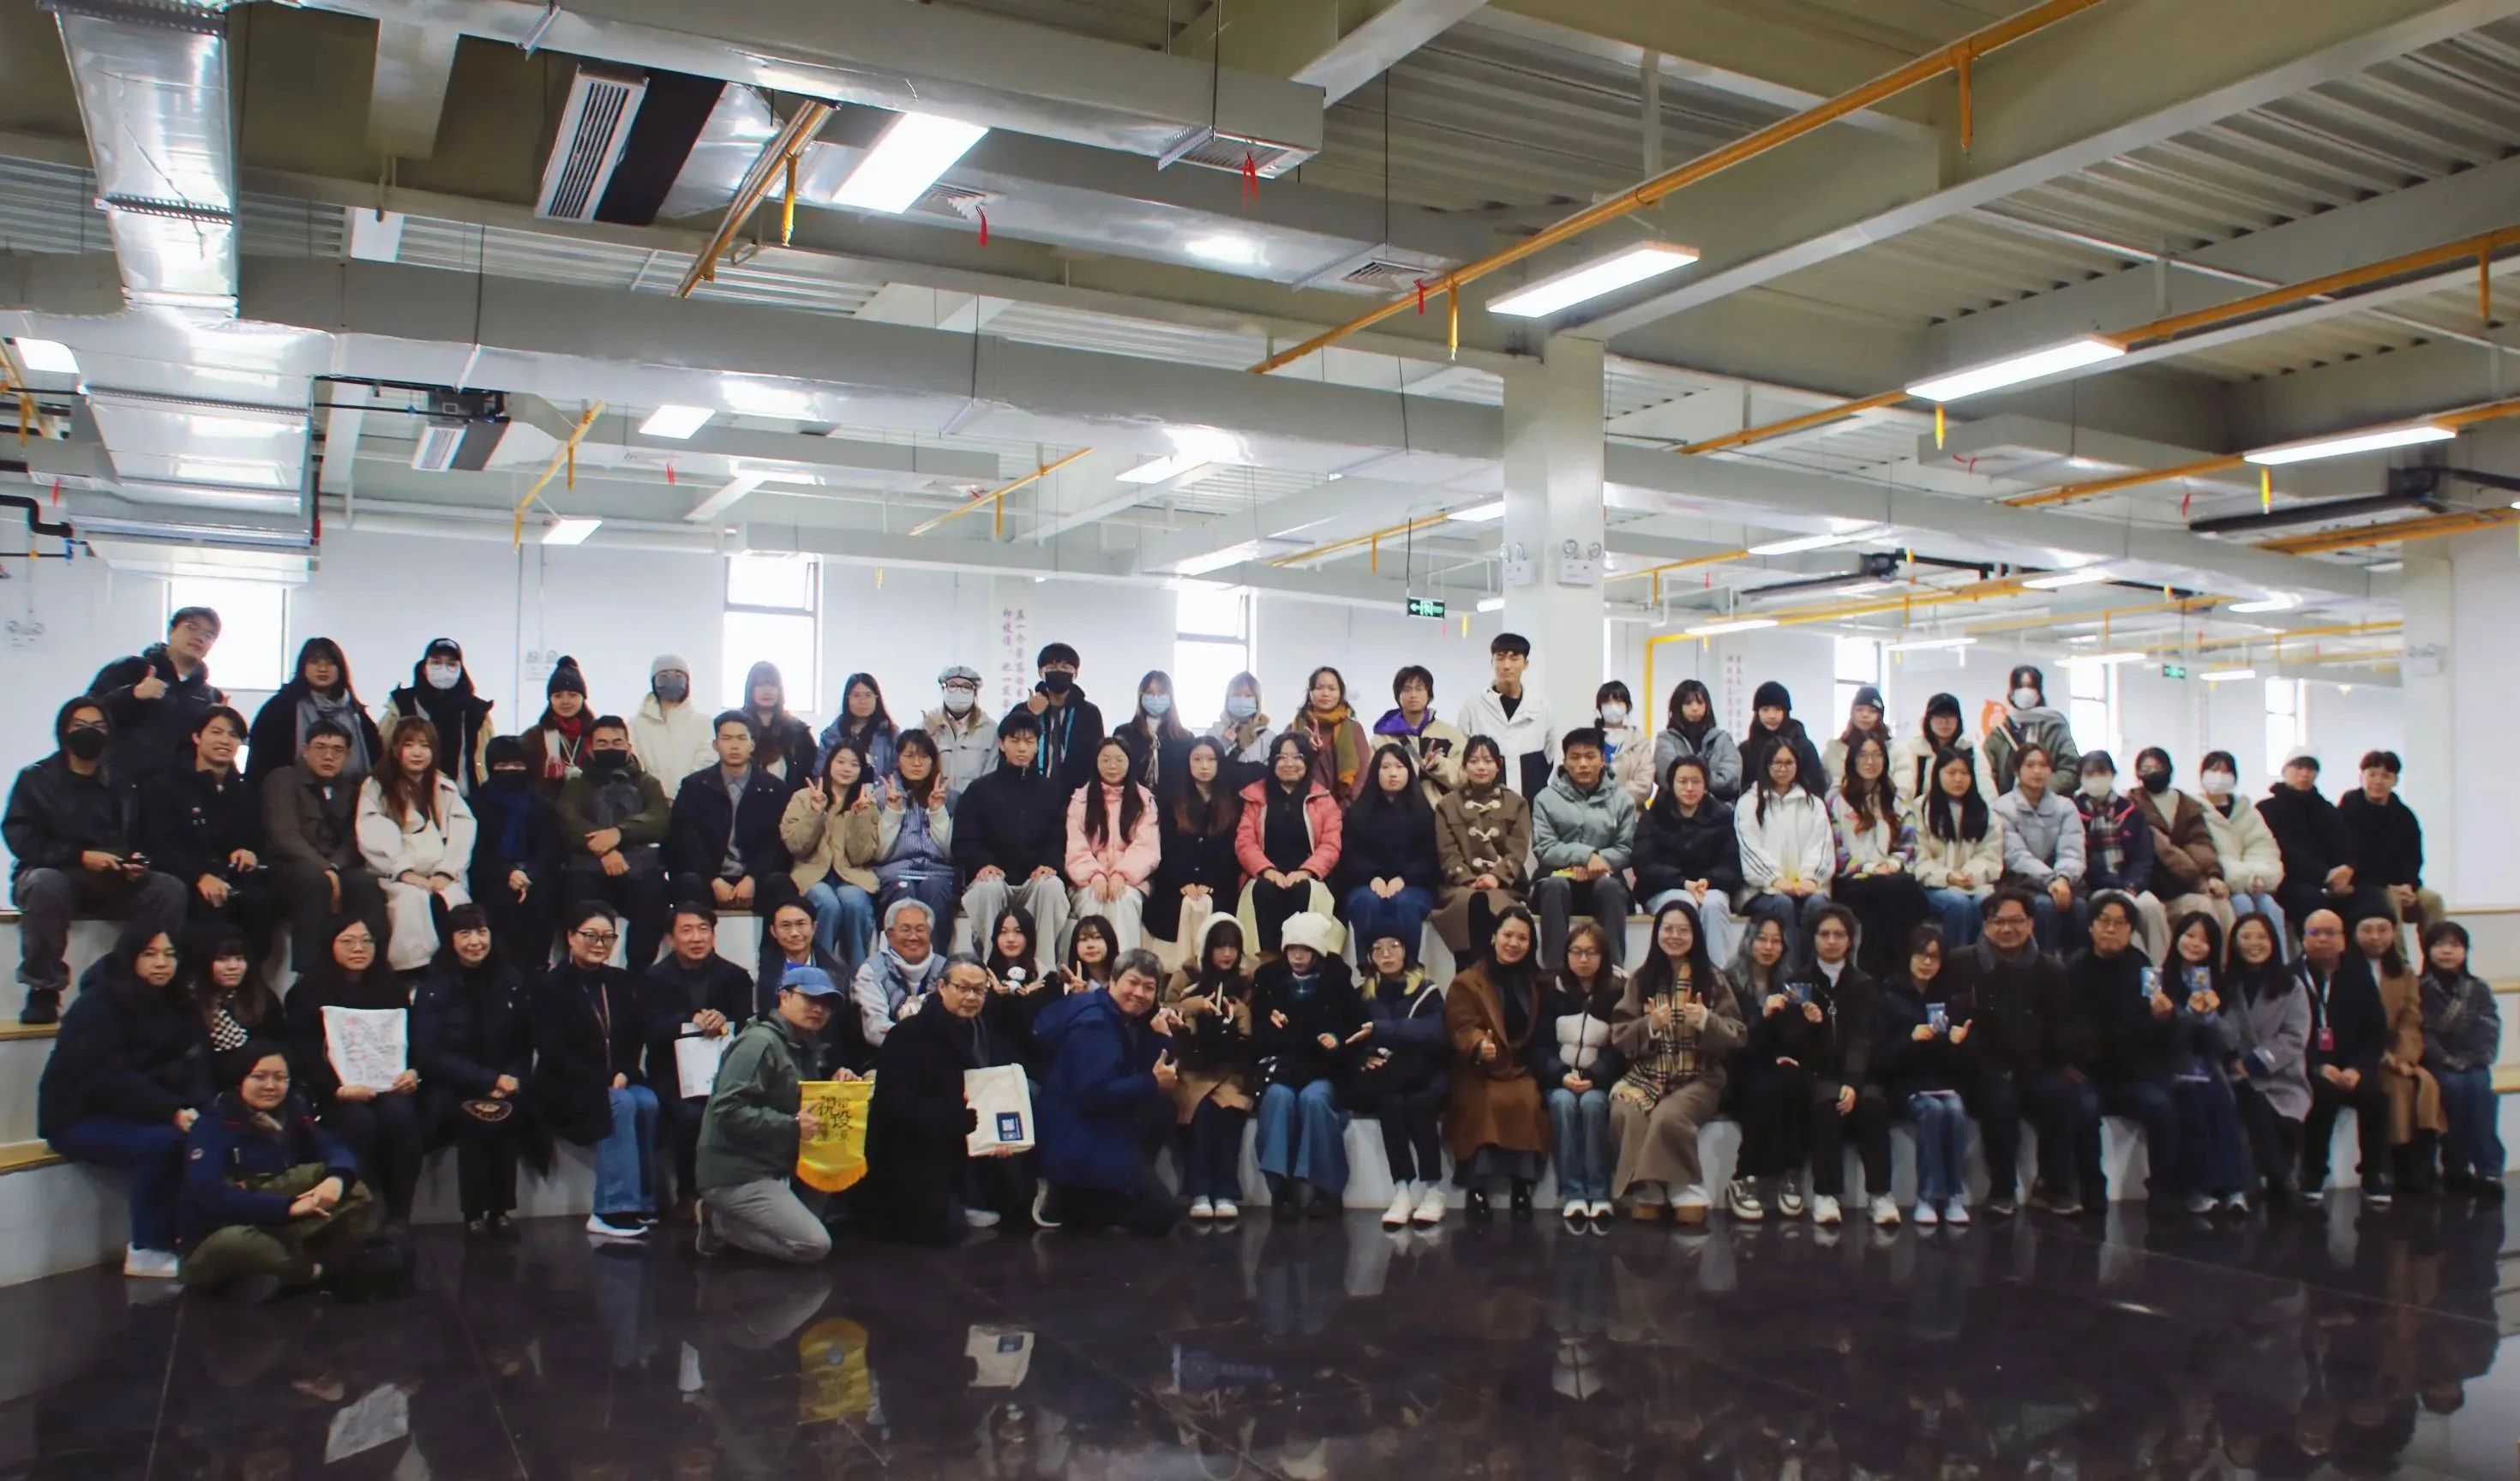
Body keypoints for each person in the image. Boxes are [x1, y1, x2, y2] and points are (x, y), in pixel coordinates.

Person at [35, 922, 210, 1277]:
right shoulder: (97, 1004)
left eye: (170, 954)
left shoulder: (178, 1003)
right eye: (150, 954)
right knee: (164, 1143)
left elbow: (197, 1066)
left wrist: (200, 1109)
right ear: (130, 957)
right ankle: (149, 1248)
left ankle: (199, 1240)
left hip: (142, 1111)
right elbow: (103, 1079)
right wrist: (171, 1110)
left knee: (214, 1132)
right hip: (78, 1117)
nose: (161, 963)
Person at [6, 699, 187, 1023]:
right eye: (80, 726)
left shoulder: (121, 783)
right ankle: (43, 990)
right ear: (64, 732)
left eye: (98, 726)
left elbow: (138, 837)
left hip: (111, 879)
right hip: (55, 873)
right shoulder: (35, 779)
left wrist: (135, 863)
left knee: (168, 889)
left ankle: (143, 983)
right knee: (46, 884)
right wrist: (79, 856)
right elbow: (22, 838)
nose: (89, 732)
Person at [177, 1043, 381, 1298]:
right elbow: (208, 1196)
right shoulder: (212, 1125)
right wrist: (289, 1208)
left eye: (280, 1078)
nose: (271, 1086)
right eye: (259, 1077)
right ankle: (313, 1274)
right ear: (240, 1079)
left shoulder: (292, 1111)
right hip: (219, 1230)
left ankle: (271, 1271)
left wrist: (336, 1180)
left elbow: (332, 1148)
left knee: (352, 1187)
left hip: (270, 1216)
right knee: (239, 1241)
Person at [1738, 905, 1893, 1226]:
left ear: (1850, 941)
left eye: (1839, 935)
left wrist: (1853, 1081)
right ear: (1814, 938)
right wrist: (1812, 1025)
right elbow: (1789, 1040)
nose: (1832, 941)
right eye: (1825, 934)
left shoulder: (1864, 984)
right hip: (1817, 1072)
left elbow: (1863, 1039)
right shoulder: (1798, 983)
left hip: (1856, 1073)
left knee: (1874, 1105)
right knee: (1826, 1103)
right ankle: (1825, 1193)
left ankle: (1880, 1195)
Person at [865, 956, 1027, 1243]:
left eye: (979, 991)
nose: (971, 997)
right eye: (962, 988)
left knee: (1016, 1198)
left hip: (962, 1137)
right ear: (941, 986)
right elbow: (895, 1105)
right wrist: (955, 1121)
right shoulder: (909, 1033)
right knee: (943, 1231)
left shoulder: (981, 1029)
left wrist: (994, 1133)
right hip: (913, 1149)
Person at [693, 963, 843, 1264]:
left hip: (773, 1163)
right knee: (813, 1246)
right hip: (738, 1173)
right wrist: (793, 1125)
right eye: (810, 999)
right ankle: (717, 1223)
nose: (819, 1009)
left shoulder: (800, 1045)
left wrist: (835, 1086)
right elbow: (727, 1110)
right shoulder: (760, 1043)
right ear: (784, 997)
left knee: (828, 1177)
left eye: (826, 1003)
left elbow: (792, 1096)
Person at [285, 914, 424, 1228]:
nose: (358, 948)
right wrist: (336, 1089)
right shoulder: (306, 992)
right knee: (358, 1121)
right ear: (329, 945)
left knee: (400, 1115)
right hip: (332, 1091)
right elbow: (302, 1052)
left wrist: (413, 1072)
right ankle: (354, 1214)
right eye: (347, 941)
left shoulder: (391, 987)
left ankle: (399, 1215)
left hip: (387, 1085)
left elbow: (412, 1039)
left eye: (366, 941)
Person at [1606, 901, 1743, 1225]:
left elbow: (1737, 1035)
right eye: (1668, 929)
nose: (1675, 936)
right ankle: (1649, 1188)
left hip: (1700, 1078)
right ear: (1657, 934)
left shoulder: (1713, 980)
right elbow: (1619, 1036)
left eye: (1683, 930)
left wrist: (1706, 1021)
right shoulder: (1640, 980)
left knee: (1669, 1116)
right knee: (1624, 1111)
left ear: (1695, 935)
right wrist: (1650, 1025)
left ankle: (1686, 1187)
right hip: (1647, 1075)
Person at [1030, 948, 1182, 1235]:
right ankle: (1065, 1201)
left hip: (1099, 1125)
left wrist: (1162, 1036)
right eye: (1132, 982)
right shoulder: (1095, 1024)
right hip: (1078, 1136)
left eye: (1149, 987)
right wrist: (1151, 1082)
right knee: (1161, 1215)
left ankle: (1097, 1191)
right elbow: (1093, 1096)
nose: (1139, 993)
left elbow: (1148, 1066)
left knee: (1163, 1109)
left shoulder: (1117, 1015)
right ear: (1113, 980)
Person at [531, 902, 660, 1238]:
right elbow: (551, 1050)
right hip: (565, 1086)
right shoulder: (549, 987)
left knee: (647, 1101)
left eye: (607, 937)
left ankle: (644, 1202)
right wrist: (604, 1081)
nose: (599, 944)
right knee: (621, 1103)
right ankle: (611, 1210)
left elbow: (634, 1036)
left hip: (614, 1080)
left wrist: (625, 1071)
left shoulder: (620, 982)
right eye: (590, 935)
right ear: (570, 937)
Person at [410, 904, 537, 1234]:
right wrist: (487, 1080)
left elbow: (525, 1041)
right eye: (465, 933)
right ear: (451, 939)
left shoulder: (510, 978)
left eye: (482, 932)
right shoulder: (434, 986)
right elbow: (429, 1054)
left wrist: (511, 1079)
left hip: (504, 1082)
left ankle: (501, 1210)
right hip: (452, 1085)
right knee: (475, 1118)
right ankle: (474, 1213)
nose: (475, 941)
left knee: (507, 1113)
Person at [1946, 888, 2067, 1218]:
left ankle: (2052, 1185)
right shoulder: (1960, 963)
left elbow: (2058, 1028)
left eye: (2016, 921)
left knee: (2062, 1095)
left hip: (2032, 1065)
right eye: (1998, 921)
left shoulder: (2050, 970)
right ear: (1985, 925)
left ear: (2031, 924)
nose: (2007, 928)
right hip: (1979, 1067)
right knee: (2000, 1099)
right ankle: (2002, 1189)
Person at [2067, 892, 2182, 1213]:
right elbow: (2062, 1027)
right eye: (2104, 921)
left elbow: (2159, 1037)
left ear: (2131, 929)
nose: (2111, 929)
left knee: (2161, 1107)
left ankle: (2162, 1190)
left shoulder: (2144, 970)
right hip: (2087, 1074)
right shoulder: (2073, 969)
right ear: (2091, 926)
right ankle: (2092, 1189)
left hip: (2131, 1075)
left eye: (2120, 923)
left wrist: (2163, 1018)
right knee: (2083, 1109)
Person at [143, 705, 279, 962]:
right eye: (216, 732)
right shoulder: (164, 787)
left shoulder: (245, 793)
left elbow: (257, 841)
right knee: (206, 911)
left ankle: (249, 976)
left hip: (233, 878)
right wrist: (199, 876)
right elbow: (160, 847)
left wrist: (249, 853)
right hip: (186, 878)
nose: (225, 741)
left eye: (233, 735)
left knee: (261, 901)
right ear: (197, 737)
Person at [1251, 912, 1364, 1216]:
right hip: (1282, 1067)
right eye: (1292, 948)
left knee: (1315, 1100)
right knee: (1278, 1098)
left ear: (1317, 951)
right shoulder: (1267, 980)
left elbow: (1354, 1027)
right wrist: (1274, 1028)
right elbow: (1258, 1034)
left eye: (1306, 949)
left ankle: (1326, 1188)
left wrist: (1336, 1040)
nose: (1298, 956)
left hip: (1324, 1069)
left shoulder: (1337, 980)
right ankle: (1281, 1189)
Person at [643, 904, 754, 1208]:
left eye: (704, 929)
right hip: (673, 1075)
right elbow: (651, 1033)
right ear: (671, 939)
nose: (696, 938)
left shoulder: (735, 976)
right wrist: (689, 1022)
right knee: (691, 1116)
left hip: (727, 1072)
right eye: (687, 930)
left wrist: (723, 1022)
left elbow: (747, 1028)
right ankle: (690, 1195)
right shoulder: (655, 978)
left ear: (713, 936)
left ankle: (737, 1194)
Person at [1444, 903, 1551, 1219]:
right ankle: (1477, 1187)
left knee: (1528, 1100)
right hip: (1480, 1069)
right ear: (1494, 937)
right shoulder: (1468, 981)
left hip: (1520, 1067)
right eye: (1508, 935)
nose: (1513, 943)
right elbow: (1462, 1025)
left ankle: (1521, 1187)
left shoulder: (1537, 982)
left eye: (1522, 938)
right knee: (1487, 1102)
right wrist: (1479, 1045)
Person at [261, 719, 387, 970]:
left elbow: (353, 838)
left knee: (366, 884)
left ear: (348, 756)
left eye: (338, 750)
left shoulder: (352, 788)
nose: (329, 756)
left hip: (337, 867)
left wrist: (335, 867)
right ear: (305, 750)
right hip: (291, 864)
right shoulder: (282, 779)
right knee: (316, 884)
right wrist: (326, 869)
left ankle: (375, 967)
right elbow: (285, 836)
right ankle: (309, 972)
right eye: (320, 748)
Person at [357, 717, 478, 973]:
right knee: (411, 903)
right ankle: (413, 973)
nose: (417, 752)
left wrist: (447, 871)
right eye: (409, 744)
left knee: (456, 902)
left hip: (442, 874)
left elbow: (463, 827)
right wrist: (404, 871)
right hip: (395, 875)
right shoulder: (377, 785)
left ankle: (460, 969)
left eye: (424, 745)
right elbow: (373, 829)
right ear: (395, 749)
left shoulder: (444, 785)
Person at [954, 711, 1071, 971]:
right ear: (1001, 744)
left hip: (1033, 880)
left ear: (1037, 746)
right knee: (987, 888)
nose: (1022, 748)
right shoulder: (979, 790)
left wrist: (1049, 863)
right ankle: (991, 971)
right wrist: (982, 863)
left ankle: (1044, 973)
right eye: (1015, 740)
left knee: (1052, 887)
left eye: (1029, 741)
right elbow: (963, 840)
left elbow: (1059, 837)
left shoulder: (1051, 790)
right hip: (995, 878)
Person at [1349, 926, 1449, 1229]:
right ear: (1370, 957)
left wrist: (1383, 1032)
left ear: (1406, 951)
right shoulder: (1362, 996)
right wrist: (1365, 1057)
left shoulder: (1426, 991)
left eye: (1394, 945)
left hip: (1425, 1074)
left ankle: (1432, 1189)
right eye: (1378, 948)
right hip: (1386, 1081)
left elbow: (1435, 1034)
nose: (1387, 954)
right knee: (1390, 1102)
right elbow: (1352, 1040)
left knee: (1420, 1102)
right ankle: (1402, 1189)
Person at [2294, 909, 2394, 1206]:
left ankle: (2373, 1174)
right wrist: (2317, 1065)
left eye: (2331, 933)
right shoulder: (2291, 976)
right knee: (2322, 1093)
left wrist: (2357, 1067)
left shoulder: (2358, 975)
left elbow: (2375, 1030)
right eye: (2315, 933)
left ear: (2343, 939)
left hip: (2352, 1063)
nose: (2323, 939)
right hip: (2308, 1063)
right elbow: (2287, 1034)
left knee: (2375, 1095)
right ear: (2303, 938)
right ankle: (2313, 1173)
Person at [1873, 926, 1971, 1227]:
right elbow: (1880, 1059)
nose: (1927, 963)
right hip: (1904, 1085)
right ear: (1908, 956)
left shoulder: (1948, 998)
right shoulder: (1888, 996)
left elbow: (1957, 1063)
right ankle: (1928, 1196)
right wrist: (1910, 1039)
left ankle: (1953, 1195)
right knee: (1932, 1111)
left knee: (1955, 1110)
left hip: (1941, 1083)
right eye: (1921, 955)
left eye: (1934, 957)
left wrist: (1956, 1043)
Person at [557, 716, 673, 973]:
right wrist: (606, 851)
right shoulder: (577, 784)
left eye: (617, 742)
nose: (610, 747)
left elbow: (659, 820)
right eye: (603, 743)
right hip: (589, 870)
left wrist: (619, 833)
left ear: (629, 747)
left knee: (656, 894)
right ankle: (581, 969)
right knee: (574, 891)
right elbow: (569, 822)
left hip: (637, 869)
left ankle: (637, 975)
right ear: (591, 749)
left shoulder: (647, 783)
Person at [1164, 915, 1257, 1220]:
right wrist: (1194, 1006)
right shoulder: (1187, 975)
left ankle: (1226, 1190)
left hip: (1232, 1070)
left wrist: (1239, 1014)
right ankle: (1199, 1191)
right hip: (1193, 1069)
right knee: (1200, 1114)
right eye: (1220, 946)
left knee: (1228, 1114)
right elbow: (1166, 1010)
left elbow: (1253, 1029)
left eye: (1233, 947)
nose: (1227, 954)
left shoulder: (1248, 980)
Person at [669, 712, 799, 923]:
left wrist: (753, 879)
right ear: (715, 745)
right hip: (708, 877)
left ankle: (772, 945)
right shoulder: (694, 786)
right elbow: (686, 840)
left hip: (755, 877)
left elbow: (776, 843)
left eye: (741, 738)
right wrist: (713, 879)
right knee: (688, 884)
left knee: (780, 884)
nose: (734, 746)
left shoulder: (774, 788)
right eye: (727, 739)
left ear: (752, 745)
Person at [2163, 912, 2252, 1214]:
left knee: (2222, 1103)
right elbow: (2155, 1032)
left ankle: (2234, 1189)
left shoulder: (2222, 985)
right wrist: (2189, 1014)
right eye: (2189, 935)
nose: (2195, 944)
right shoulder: (2155, 977)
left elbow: (2231, 1039)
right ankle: (2198, 1188)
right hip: (2170, 1065)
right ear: (2177, 938)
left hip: (2209, 1066)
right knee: (2195, 1102)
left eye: (2204, 940)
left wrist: (2210, 1017)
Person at [1529, 727, 1638, 973]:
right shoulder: (1546, 798)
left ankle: (1613, 974)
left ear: (1603, 759)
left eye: (1590, 756)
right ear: (1565, 761)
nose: (1583, 764)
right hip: (1557, 879)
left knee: (1611, 889)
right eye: (1575, 757)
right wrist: (1586, 856)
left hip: (1605, 879)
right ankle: (1555, 975)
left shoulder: (1622, 800)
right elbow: (1544, 847)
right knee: (1554, 887)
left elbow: (1626, 848)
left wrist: (1597, 864)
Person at [1538, 920, 1624, 1226]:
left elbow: (1620, 1048)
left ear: (1603, 955)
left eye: (1591, 952)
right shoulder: (1550, 990)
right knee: (1562, 1103)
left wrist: (1595, 1076)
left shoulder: (1617, 991)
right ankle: (1573, 1192)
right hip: (1560, 1079)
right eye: (1576, 952)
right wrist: (1561, 1074)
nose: (1583, 959)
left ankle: (1600, 1193)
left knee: (1593, 1105)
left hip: (1598, 1080)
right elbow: (1540, 1045)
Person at [2353, 904, 2444, 1194]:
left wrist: (2405, 1057)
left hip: (2396, 1052)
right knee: (2397, 1086)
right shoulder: (2345, 970)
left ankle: (2422, 1164)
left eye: (2383, 930)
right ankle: (2398, 1164)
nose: (2375, 937)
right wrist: (2388, 1059)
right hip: (2360, 1055)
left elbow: (2410, 1019)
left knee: (2424, 1083)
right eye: (2367, 930)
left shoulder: (2402, 971)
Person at [88, 605, 225, 794]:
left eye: (209, 635)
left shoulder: (210, 696)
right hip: (118, 790)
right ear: (172, 631)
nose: (199, 637)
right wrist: (132, 694)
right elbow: (87, 715)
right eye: (192, 627)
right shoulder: (130, 668)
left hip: (175, 797)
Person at [2416, 921, 2504, 1200]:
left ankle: (2489, 1170)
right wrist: (2447, 1059)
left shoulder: (2478, 988)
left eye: (2455, 945)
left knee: (2481, 1090)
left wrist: (2473, 1058)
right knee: (2453, 1088)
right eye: (2439, 945)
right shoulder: (2419, 988)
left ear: (2465, 951)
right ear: (2427, 950)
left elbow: (2489, 1027)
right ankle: (2456, 1165)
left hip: (2472, 1061)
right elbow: (2422, 1032)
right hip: (2436, 1061)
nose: (2447, 951)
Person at [780, 742, 882, 978]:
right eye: (841, 761)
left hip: (853, 876)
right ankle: (819, 976)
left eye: (854, 764)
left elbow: (861, 856)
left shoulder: (866, 802)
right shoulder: (804, 797)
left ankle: (859, 977)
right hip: (812, 875)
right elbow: (796, 846)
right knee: (826, 902)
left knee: (856, 902)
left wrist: (860, 816)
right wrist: (815, 813)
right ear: (829, 763)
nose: (847, 768)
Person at [2226, 912, 2307, 1207]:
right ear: (2234, 943)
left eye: (2261, 937)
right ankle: (2280, 1180)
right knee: (2252, 1101)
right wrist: (2235, 1062)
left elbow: (2294, 1036)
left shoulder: (2291, 985)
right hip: (2234, 1074)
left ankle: (2278, 1180)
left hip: (2281, 1074)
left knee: (2277, 1114)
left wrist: (2254, 1063)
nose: (2254, 943)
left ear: (2273, 942)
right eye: (2246, 936)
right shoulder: (2225, 984)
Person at [1828, 735, 1928, 977]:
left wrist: (1893, 863)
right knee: (1887, 893)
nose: (1870, 762)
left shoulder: (1897, 800)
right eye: (1863, 755)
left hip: (1889, 875)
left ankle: (1899, 972)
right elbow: (1836, 850)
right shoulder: (1836, 800)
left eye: (1877, 755)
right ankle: (1879, 973)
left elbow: (1909, 843)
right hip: (1852, 878)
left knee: (1905, 889)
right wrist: (1869, 867)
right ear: (1852, 760)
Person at [1235, 732, 1342, 954]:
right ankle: (1266, 963)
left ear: (1307, 762)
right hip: (1263, 875)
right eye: (1282, 757)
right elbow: (1245, 842)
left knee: (1303, 890)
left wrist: (1306, 871)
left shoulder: (1323, 798)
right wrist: (1266, 870)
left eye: (1297, 757)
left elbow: (1330, 845)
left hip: (1309, 876)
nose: (1289, 763)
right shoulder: (1255, 796)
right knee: (1263, 891)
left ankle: (1303, 959)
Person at [1634, 755, 1744, 963]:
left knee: (1714, 905)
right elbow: (1644, 864)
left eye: (1696, 781)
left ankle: (1716, 974)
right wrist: (1684, 883)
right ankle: (1675, 972)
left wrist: (1707, 881)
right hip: (1664, 888)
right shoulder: (1654, 815)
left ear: (1706, 784)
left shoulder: (1721, 815)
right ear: (1672, 783)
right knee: (1683, 905)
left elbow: (1731, 866)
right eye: (1683, 781)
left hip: (1709, 887)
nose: (1690, 788)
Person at [2259, 748, 2380, 937]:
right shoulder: (2267, 809)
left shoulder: (2326, 809)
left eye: (2310, 769)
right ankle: (2315, 950)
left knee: (2370, 897)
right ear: (2284, 771)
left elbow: (2346, 844)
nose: (2305, 773)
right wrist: (2326, 877)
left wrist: (2348, 869)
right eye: (2298, 767)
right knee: (2311, 899)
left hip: (2331, 881)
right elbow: (2284, 853)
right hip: (2290, 881)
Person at [465, 736, 562, 974]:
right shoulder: (475, 804)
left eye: (518, 765)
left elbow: (550, 849)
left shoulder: (542, 804)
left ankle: (537, 971)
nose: (510, 771)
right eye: (503, 766)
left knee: (543, 899)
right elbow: (476, 851)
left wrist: (529, 875)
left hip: (534, 875)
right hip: (491, 875)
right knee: (498, 903)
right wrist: (506, 873)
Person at [1735, 740, 1833, 970]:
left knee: (1818, 905)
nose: (1783, 768)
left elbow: (1822, 844)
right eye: (1777, 763)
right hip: (1762, 890)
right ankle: (1788, 977)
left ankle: (1814, 975)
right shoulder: (1749, 803)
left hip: (1807, 887)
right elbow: (1749, 848)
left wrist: (1811, 878)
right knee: (1782, 904)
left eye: (1789, 763)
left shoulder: (1813, 803)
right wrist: (1776, 880)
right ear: (1766, 765)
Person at [1335, 743, 1439, 960]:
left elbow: (1429, 858)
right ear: (1376, 772)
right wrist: (1373, 877)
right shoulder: (1358, 812)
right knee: (1366, 902)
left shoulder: (1423, 812)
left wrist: (1403, 879)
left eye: (1399, 767)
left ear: (1409, 772)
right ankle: (1368, 969)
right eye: (1386, 767)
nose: (1393, 773)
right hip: (1366, 885)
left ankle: (1409, 969)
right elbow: (1350, 856)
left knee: (1404, 902)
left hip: (1413, 886)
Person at [1431, 735, 1533, 956]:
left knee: (1494, 905)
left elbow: (1518, 849)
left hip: (1506, 885)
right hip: (1460, 885)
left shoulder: (1517, 803)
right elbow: (1447, 852)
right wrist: (1468, 879)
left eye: (1488, 761)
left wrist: (1496, 877)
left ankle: (1499, 966)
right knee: (1469, 903)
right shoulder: (1447, 805)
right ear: (1464, 765)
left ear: (1498, 765)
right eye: (1474, 761)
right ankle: (1467, 968)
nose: (1481, 767)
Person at [1147, 735, 1242, 967]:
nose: (1204, 766)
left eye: (1211, 759)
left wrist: (1209, 882)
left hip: (1219, 885)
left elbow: (1230, 852)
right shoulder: (1171, 801)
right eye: (1197, 759)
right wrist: (1183, 882)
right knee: (1176, 908)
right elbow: (1166, 848)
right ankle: (1178, 973)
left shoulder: (1233, 802)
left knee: (1211, 907)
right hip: (1174, 885)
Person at [2074, 752, 2175, 963]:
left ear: (2113, 774)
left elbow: (2143, 856)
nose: (2097, 778)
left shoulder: (2131, 811)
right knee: (2117, 914)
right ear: (2081, 777)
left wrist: (2132, 885)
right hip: (2098, 888)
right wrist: (2113, 883)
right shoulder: (2073, 811)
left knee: (2151, 908)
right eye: (2090, 773)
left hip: (2132, 886)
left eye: (2102, 772)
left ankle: (2158, 972)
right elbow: (2080, 857)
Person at [244, 637, 382, 791]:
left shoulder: (355, 713)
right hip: (291, 796)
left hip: (351, 796)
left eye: (330, 662)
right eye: (314, 661)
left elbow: (377, 758)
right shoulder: (280, 708)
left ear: (340, 669)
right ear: (303, 667)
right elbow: (260, 763)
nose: (322, 668)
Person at [1065, 737, 1159, 951]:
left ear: (1129, 763)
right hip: (1087, 881)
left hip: (1132, 881)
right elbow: (1076, 848)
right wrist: (1095, 875)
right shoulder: (1080, 800)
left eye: (1119, 760)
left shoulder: (1144, 800)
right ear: (1096, 763)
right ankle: (1091, 969)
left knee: (1122, 901)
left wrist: (1120, 875)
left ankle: (1125, 967)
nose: (1112, 766)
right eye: (1105, 760)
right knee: (1093, 901)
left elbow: (1147, 847)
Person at [2337, 751, 2444, 934]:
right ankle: (2398, 954)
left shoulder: (2404, 816)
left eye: (2386, 776)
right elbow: (2349, 857)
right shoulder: (2346, 812)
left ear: (2395, 781)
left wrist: (2408, 885)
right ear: (2361, 777)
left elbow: (2414, 858)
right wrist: (2390, 887)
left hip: (2401, 887)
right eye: (2372, 775)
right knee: (2390, 900)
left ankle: (2438, 950)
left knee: (2432, 900)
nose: (2378, 781)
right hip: (2363, 887)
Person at [1993, 744, 2085, 951]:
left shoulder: (2065, 807)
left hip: (2063, 883)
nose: (2037, 771)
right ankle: (2043, 966)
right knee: (2043, 906)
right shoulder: (2002, 807)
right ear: (2017, 771)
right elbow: (2016, 856)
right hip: (2020, 882)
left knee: (2080, 907)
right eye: (2030, 765)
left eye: (2043, 765)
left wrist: (2063, 878)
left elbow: (2072, 851)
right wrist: (2052, 880)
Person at [2131, 748, 2232, 939]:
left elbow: (2200, 842)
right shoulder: (2133, 805)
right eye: (2146, 768)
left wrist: (2213, 875)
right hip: (2157, 885)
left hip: (2188, 883)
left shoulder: (2187, 805)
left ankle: (2224, 958)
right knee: (2203, 906)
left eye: (2158, 767)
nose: (2153, 773)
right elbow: (2164, 851)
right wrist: (2199, 882)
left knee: (2222, 904)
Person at [377, 638, 494, 794]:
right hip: (408, 796)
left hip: (462, 797)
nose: (443, 669)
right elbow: (383, 750)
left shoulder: (476, 711)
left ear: (460, 670)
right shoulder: (401, 705)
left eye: (451, 664)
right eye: (436, 662)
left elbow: (486, 759)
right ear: (424, 667)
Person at [1915, 746, 2004, 949]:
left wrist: (1971, 873)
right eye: (1951, 773)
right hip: (1933, 884)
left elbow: (1990, 854)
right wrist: (1947, 876)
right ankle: (1957, 959)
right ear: (1938, 774)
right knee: (1958, 904)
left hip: (1975, 883)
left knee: (1984, 903)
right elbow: (1918, 855)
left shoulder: (1984, 811)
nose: (1958, 779)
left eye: (1964, 773)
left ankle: (1981, 959)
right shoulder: (1920, 809)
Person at [2195, 750, 2287, 941]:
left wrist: (2260, 876)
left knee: (2271, 907)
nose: (2219, 776)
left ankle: (2279, 958)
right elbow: (2204, 853)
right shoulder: (2194, 810)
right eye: (2214, 770)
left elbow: (2262, 847)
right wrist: (2244, 878)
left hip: (2252, 884)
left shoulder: (2246, 811)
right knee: (2242, 904)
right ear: (2202, 776)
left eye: (2225, 772)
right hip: (2219, 883)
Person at [759, 899, 860, 1068]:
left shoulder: (838, 972)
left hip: (825, 1060)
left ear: (814, 927)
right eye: (785, 926)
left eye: (801, 924)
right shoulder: (758, 968)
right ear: (773, 931)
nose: (794, 933)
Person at [1455, 633, 1555, 799]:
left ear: (1526, 664)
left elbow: (1549, 757)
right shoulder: (1474, 706)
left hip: (1532, 801)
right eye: (1500, 658)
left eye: (1514, 658)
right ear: (1492, 662)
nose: (1506, 665)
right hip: (1485, 801)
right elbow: (1461, 757)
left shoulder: (1541, 706)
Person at [875, 729, 958, 930]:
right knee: (902, 890)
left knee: (935, 888)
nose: (917, 763)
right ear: (898, 760)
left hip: (939, 874)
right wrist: (893, 812)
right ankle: (901, 950)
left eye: (924, 757)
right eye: (909, 756)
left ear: (933, 761)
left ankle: (935, 950)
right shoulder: (881, 797)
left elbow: (951, 852)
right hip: (896, 873)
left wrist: (937, 811)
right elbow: (879, 854)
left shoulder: (951, 798)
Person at [852, 897, 949, 1058]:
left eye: (920, 929)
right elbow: (875, 1030)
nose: (913, 937)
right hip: (883, 1058)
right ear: (889, 934)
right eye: (905, 930)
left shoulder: (946, 969)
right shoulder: (871, 971)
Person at [1979, 663, 2078, 798]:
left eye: (2030, 687)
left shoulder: (2056, 727)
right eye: (2020, 687)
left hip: (2051, 804)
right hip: (2009, 806)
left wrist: (2037, 791)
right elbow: (1986, 774)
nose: (2025, 692)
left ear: (2039, 693)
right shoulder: (2000, 734)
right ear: (2011, 693)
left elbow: (2071, 769)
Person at [183, 922, 281, 1053]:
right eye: (222, 959)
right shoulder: (188, 1000)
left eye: (240, 958)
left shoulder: (263, 998)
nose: (233, 966)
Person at [1372, 665, 1467, 800]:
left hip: (1440, 811)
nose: (1413, 695)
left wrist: (1438, 765)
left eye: (1419, 689)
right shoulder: (1382, 738)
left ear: (1430, 695)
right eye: (1407, 689)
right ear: (1398, 696)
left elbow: (1464, 779)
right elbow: (1371, 781)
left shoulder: (1450, 734)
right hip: (1396, 810)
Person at [1023, 643, 1106, 796]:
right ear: (1041, 672)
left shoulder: (1089, 713)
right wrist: (1031, 714)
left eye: (1066, 668)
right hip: (1029, 794)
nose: (1059, 672)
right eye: (1052, 668)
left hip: (1076, 798)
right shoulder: (1023, 710)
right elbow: (1010, 751)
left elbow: (1096, 757)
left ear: (1076, 673)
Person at [1650, 678, 1742, 804]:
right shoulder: (1666, 739)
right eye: (1688, 703)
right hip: (1674, 809)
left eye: (1700, 703)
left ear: (1707, 706)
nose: (1695, 708)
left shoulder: (1722, 739)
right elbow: (1666, 777)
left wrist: (1693, 782)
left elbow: (1731, 779)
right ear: (1678, 706)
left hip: (1716, 808)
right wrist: (1702, 780)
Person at [631, 652, 716, 786]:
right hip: (650, 797)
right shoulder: (636, 725)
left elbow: (706, 762)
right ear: (654, 682)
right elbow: (636, 765)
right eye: (664, 676)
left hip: (693, 796)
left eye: (678, 676)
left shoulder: (704, 723)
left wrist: (685, 792)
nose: (671, 681)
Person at [1111, 669, 1195, 800]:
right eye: (1150, 693)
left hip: (1174, 807)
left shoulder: (1185, 738)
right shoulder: (1124, 733)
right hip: (1132, 804)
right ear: (1141, 696)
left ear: (1170, 697)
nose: (1155, 698)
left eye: (1161, 693)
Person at [1289, 666, 1368, 804]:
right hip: (1303, 806)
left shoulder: (1354, 729)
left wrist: (1347, 806)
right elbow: (1285, 768)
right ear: (1310, 692)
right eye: (1319, 688)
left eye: (1332, 689)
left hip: (1346, 808)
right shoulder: (1295, 728)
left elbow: (1363, 773)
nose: (1325, 693)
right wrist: (1307, 749)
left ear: (1340, 693)